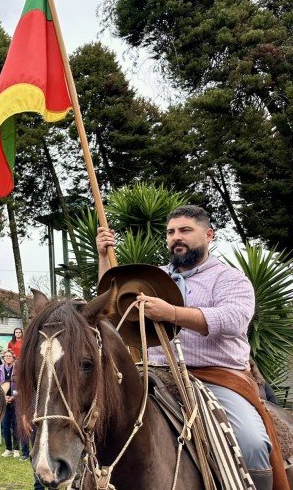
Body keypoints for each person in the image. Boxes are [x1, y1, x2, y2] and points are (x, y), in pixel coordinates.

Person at [96, 205, 273, 488]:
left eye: (185, 231)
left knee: (251, 444)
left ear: (209, 235)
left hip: (216, 378)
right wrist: (104, 258)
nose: (176, 237)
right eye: (171, 232)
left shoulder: (229, 279)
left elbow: (233, 319)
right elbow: (113, 305)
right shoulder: (151, 276)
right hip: (154, 374)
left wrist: (172, 313)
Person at [0, 350, 21, 457]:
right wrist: (4, 397)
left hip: (15, 400)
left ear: (14, 358)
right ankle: (8, 449)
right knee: (5, 425)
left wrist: (14, 397)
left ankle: (16, 450)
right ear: (3, 358)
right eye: (6, 356)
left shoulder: (18, 369)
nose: (8, 358)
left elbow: (21, 385)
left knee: (15, 425)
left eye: (10, 356)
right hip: (4, 400)